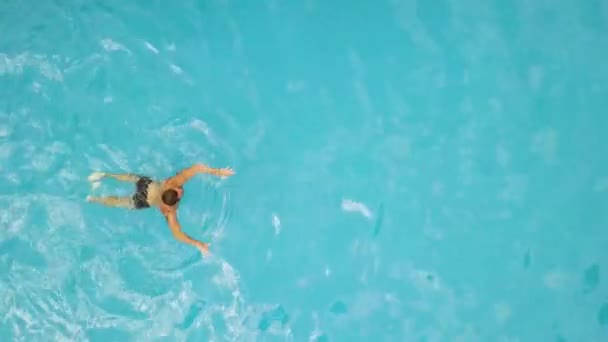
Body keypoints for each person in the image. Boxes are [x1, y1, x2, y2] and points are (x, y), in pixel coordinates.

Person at [86, 163, 235, 256]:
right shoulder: (170, 211)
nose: (181, 190)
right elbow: (177, 234)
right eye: (179, 193)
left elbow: (196, 168)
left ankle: (103, 178)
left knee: (130, 178)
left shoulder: (172, 183)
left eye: (178, 190)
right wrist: (198, 244)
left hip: (149, 186)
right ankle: (96, 197)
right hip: (145, 199)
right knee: (120, 201)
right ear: (174, 201)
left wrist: (218, 172)